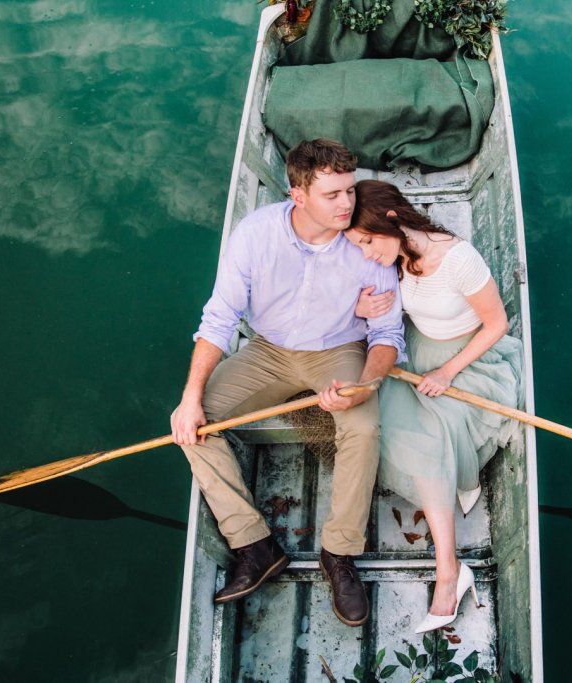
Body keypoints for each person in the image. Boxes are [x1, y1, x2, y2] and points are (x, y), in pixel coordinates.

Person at [170, 140, 405, 627]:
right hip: (267, 350)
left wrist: (364, 385)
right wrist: (189, 398)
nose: (346, 204)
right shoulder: (255, 234)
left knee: (362, 428)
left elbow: (386, 336)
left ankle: (339, 554)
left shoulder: (366, 241)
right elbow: (219, 319)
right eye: (333, 195)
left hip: (338, 351)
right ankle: (255, 546)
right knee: (195, 422)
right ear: (298, 196)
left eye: (349, 190)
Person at [347, 179, 522, 634]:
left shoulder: (459, 260)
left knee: (433, 433)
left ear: (391, 219)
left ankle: (449, 572)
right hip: (417, 353)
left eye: (366, 241)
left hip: (470, 358)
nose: (366, 253)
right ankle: (458, 487)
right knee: (387, 420)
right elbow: (395, 313)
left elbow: (497, 324)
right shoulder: (395, 257)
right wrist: (362, 308)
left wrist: (447, 373)